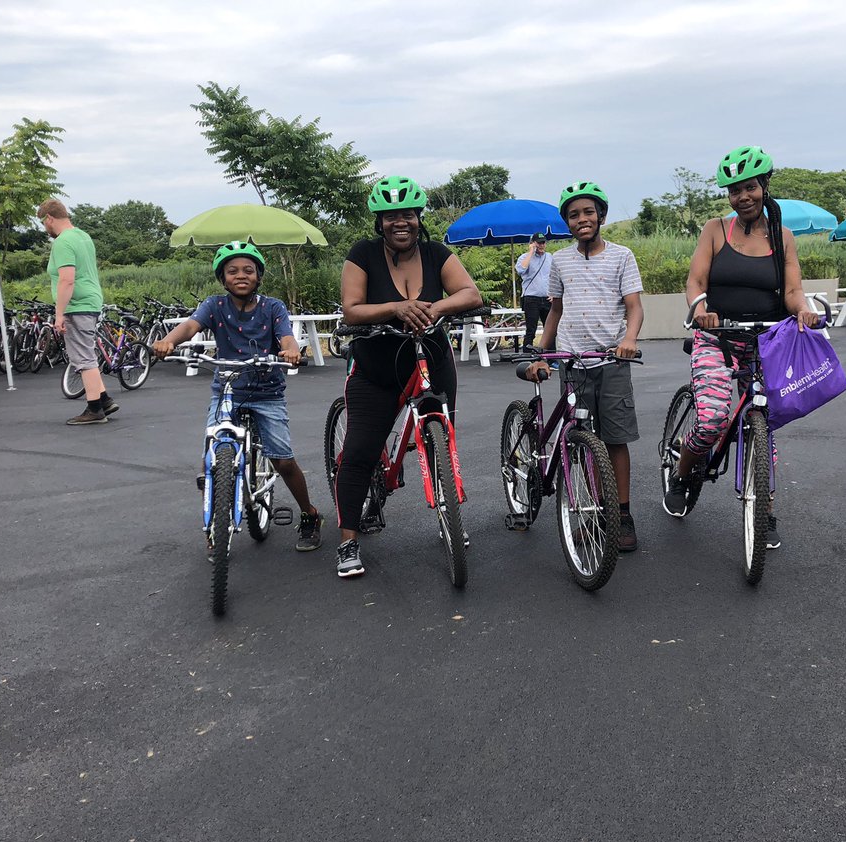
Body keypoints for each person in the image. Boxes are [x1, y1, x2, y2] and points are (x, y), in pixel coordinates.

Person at [661, 146, 819, 550]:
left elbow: (793, 290)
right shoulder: (716, 229)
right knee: (712, 418)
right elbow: (695, 281)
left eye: (749, 188)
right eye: (734, 191)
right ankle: (682, 472)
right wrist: (701, 309)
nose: (742, 197)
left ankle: (763, 508)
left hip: (764, 339)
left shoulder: (782, 236)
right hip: (717, 337)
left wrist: (804, 310)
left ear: (764, 187)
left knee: (764, 420)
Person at [334, 176, 482, 578]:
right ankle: (348, 540)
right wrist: (397, 308)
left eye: (408, 215)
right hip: (377, 368)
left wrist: (434, 309)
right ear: (379, 222)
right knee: (361, 452)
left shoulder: (436, 253)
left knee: (441, 441)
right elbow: (351, 309)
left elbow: (471, 294)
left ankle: (451, 517)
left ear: (419, 218)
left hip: (431, 362)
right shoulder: (362, 253)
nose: (400, 223)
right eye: (390, 217)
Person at [152, 241, 324, 553]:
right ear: (222, 278)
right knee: (212, 452)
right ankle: (216, 511)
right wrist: (168, 341)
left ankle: (309, 514)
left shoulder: (272, 307)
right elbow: (191, 326)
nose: (240, 275)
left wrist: (291, 349)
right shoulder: (214, 306)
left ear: (259, 276)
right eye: (232, 271)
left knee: (283, 460)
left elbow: (286, 335)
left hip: (266, 392)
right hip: (228, 389)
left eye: (248, 270)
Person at [525, 181, 644, 553]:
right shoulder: (559, 260)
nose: (582, 219)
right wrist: (542, 352)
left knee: (615, 439)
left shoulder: (622, 256)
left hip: (611, 359)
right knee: (581, 440)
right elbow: (556, 311)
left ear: (601, 216)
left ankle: (621, 515)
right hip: (573, 362)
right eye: (573, 215)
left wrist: (629, 339)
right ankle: (594, 512)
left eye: (588, 212)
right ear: (567, 223)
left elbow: (634, 307)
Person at [38, 199, 119, 425]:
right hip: (91, 301)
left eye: (44, 223)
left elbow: (67, 280)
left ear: (49, 219)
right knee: (86, 353)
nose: (45, 229)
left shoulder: (63, 242)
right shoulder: (83, 236)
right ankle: (104, 400)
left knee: (83, 358)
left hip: (77, 305)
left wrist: (59, 314)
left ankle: (94, 409)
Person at [516, 233, 553, 348]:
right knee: (531, 329)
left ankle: (552, 357)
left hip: (547, 298)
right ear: (533, 243)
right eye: (539, 243)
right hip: (531, 298)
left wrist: (554, 293)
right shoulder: (524, 257)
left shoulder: (550, 257)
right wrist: (531, 252)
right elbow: (521, 270)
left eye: (543, 242)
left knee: (550, 329)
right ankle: (527, 354)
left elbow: (555, 276)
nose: (542, 245)